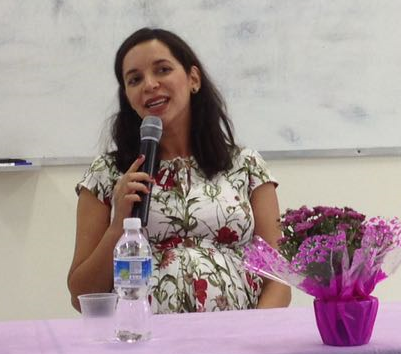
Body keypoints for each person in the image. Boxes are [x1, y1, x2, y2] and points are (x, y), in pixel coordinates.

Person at [68, 28, 291, 313]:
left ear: (193, 79)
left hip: (239, 341)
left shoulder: (246, 166)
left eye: (162, 70)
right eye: (135, 79)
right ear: (128, 96)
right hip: (145, 342)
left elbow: (278, 274)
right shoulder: (107, 173)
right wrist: (118, 226)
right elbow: (81, 296)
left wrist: (254, 337)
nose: (149, 84)